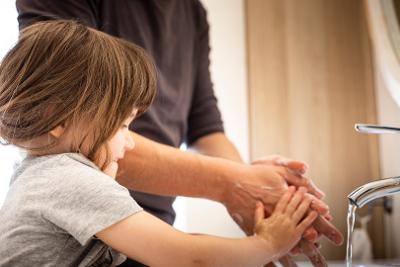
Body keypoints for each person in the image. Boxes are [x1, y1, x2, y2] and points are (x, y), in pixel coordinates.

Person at [15, 1, 343, 266]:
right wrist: (267, 243)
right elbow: (191, 258)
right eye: (123, 125)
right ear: (54, 117)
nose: (128, 142)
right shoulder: (73, 180)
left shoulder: (41, 177)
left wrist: (250, 183)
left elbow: (205, 125)